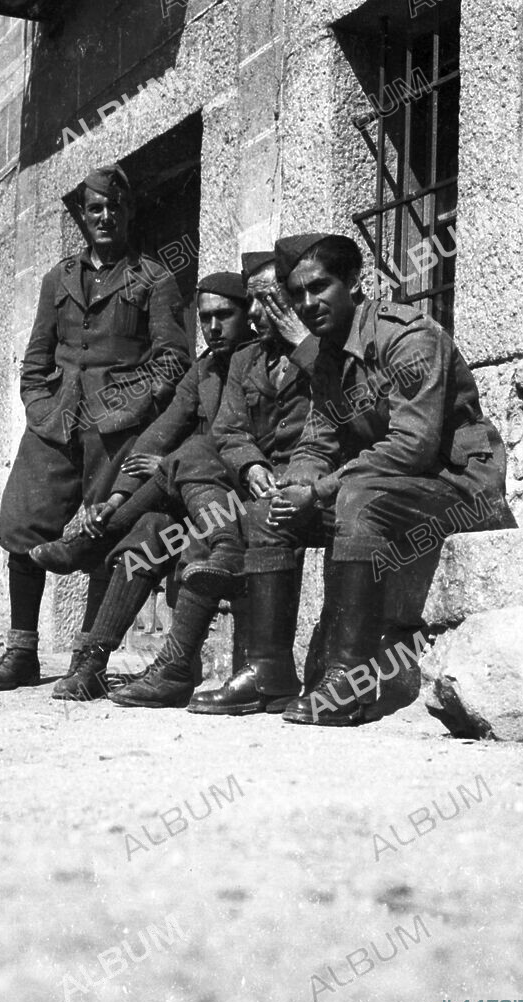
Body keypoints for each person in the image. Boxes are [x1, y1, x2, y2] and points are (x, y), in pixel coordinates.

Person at [233, 232, 515, 725]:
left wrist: (319, 491)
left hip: (460, 485)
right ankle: (268, 672)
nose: (306, 303)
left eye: (319, 287)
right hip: (390, 487)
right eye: (296, 294)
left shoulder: (407, 337)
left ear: (354, 282)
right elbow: (317, 440)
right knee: (265, 512)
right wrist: (296, 484)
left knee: (357, 498)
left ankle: (348, 680)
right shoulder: (327, 351)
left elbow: (413, 445)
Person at [0, 163, 189, 692]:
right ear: (82, 216)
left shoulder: (155, 279)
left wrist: (127, 410)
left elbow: (172, 360)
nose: (105, 217)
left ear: (128, 213)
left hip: (115, 429)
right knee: (21, 524)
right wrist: (40, 408)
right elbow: (34, 359)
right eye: (95, 209)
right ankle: (21, 652)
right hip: (56, 424)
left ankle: (87, 664)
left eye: (115, 208)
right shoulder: (59, 277)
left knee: (102, 532)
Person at [30, 272, 253, 702]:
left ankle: (91, 544)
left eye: (225, 315)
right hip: (196, 492)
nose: (213, 327)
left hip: (241, 493)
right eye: (205, 318)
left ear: (249, 315)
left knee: (189, 454)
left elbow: (235, 439)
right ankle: (93, 664)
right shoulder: (205, 370)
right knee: (149, 529)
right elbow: (160, 431)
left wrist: (172, 462)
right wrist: (117, 495)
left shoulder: (262, 360)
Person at [175, 249, 323, 715]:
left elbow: (343, 407)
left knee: (255, 517)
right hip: (263, 478)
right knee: (209, 519)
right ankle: (182, 665)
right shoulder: (248, 359)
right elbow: (230, 430)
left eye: (268, 300)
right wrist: (251, 464)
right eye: (253, 302)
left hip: (316, 476)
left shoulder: (325, 346)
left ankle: (265, 672)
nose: (256, 313)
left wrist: (303, 342)